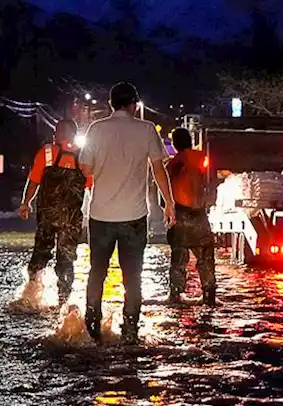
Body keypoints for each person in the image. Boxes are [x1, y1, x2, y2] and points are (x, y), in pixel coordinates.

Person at [78, 81, 175, 346]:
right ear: (133, 104)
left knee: (97, 271)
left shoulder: (96, 129)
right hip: (134, 216)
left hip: (100, 215)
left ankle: (93, 322)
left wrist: (102, 167)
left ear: (111, 104)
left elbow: (85, 169)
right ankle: (130, 329)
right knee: (133, 275)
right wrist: (170, 204)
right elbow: (158, 170)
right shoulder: (146, 130)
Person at [19, 119, 88, 299]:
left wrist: (25, 203)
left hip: (47, 218)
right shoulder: (84, 157)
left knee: (40, 254)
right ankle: (63, 299)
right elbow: (92, 186)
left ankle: (31, 295)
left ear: (56, 134)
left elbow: (34, 181)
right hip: (71, 220)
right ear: (74, 134)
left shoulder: (46, 152)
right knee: (66, 259)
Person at [165, 127, 217, 306]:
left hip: (181, 216)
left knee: (179, 260)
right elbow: (210, 181)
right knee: (206, 260)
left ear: (175, 144)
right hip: (201, 216)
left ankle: (176, 295)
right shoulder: (203, 158)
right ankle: (209, 296)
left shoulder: (173, 164)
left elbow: (164, 194)